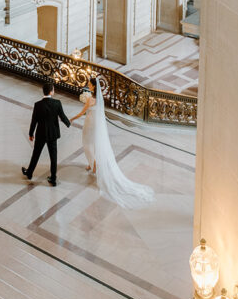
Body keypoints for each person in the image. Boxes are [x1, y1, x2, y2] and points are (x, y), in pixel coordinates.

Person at [70, 75, 155, 208]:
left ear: (92, 86)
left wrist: (72, 119)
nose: (88, 84)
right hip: (96, 124)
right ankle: (90, 164)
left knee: (87, 145)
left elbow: (82, 113)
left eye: (89, 84)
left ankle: (94, 167)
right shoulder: (99, 99)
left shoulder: (90, 100)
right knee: (94, 144)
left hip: (89, 124)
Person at [22, 80, 71, 186]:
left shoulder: (38, 105)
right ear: (51, 92)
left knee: (36, 154)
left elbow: (34, 121)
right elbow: (62, 116)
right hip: (53, 134)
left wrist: (31, 134)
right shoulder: (57, 103)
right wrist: (68, 123)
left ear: (43, 92)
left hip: (41, 134)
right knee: (53, 157)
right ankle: (53, 178)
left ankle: (29, 173)